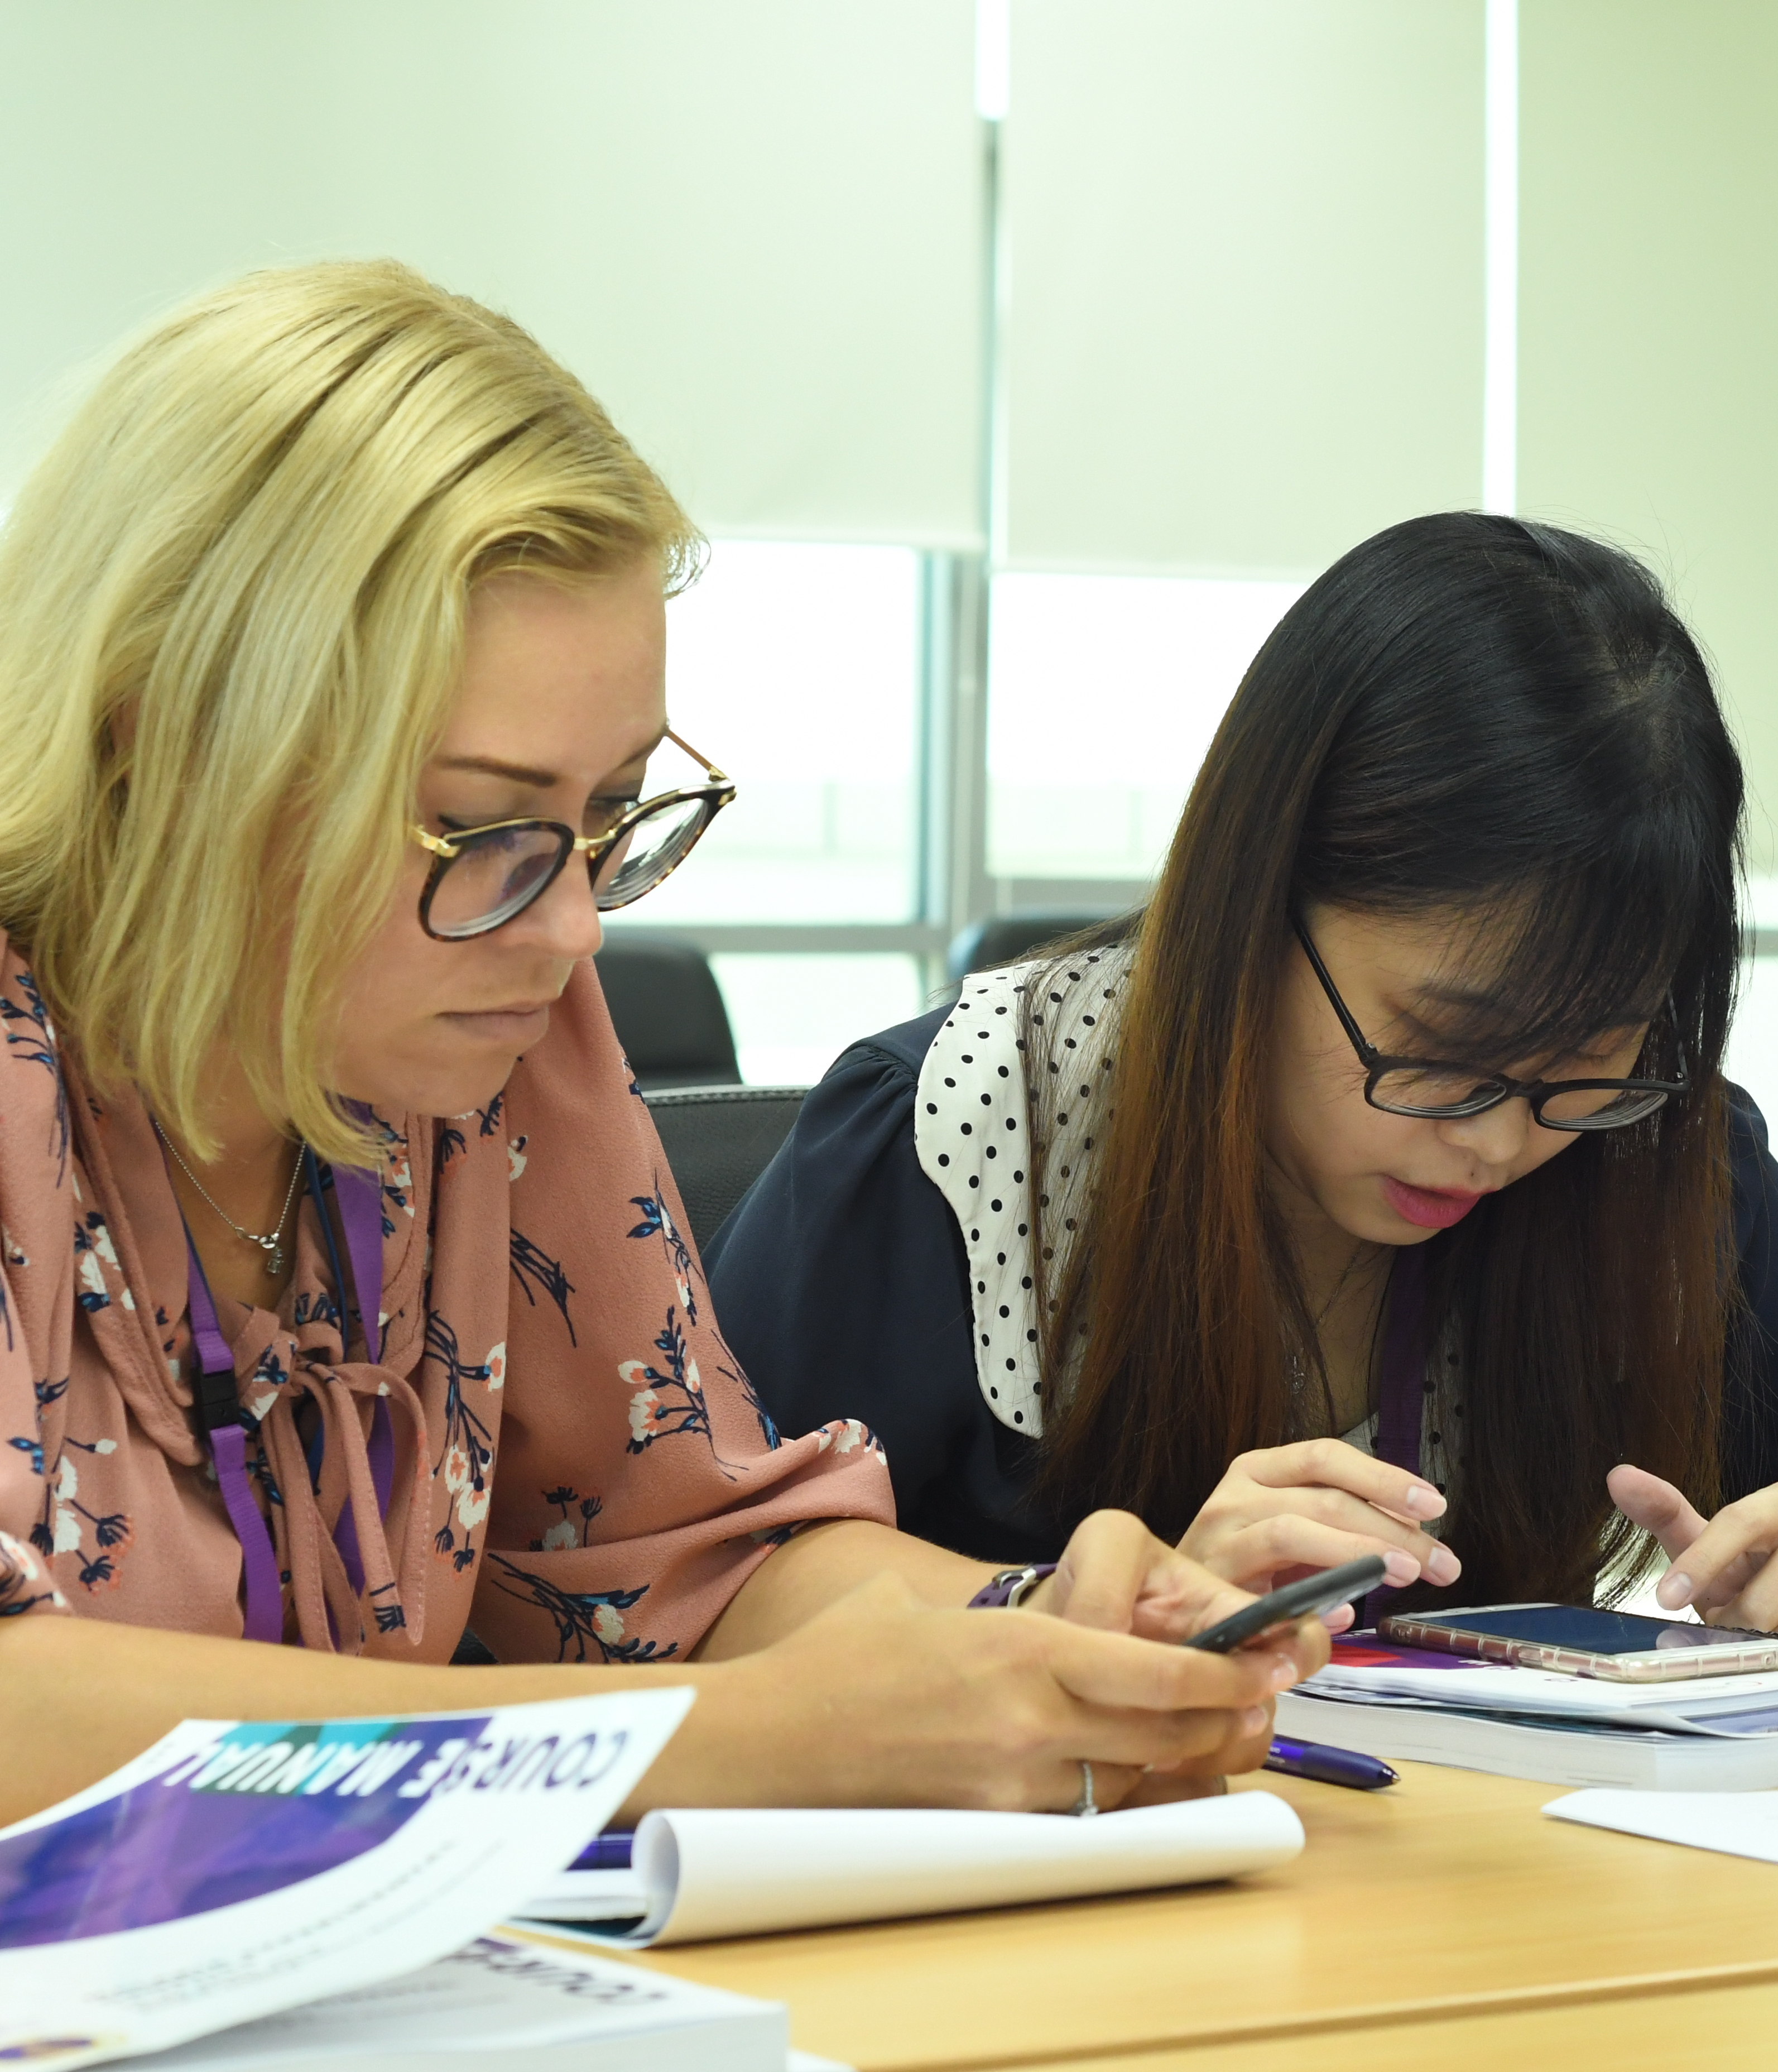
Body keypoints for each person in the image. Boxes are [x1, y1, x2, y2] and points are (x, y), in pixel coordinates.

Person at [0, 260, 1322, 1830]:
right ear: (159, 737)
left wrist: (1021, 1641)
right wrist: (741, 1741)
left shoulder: (494, 1041)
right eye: (486, 826)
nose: (573, 933)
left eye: (611, 815)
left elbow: (684, 1554)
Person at [709, 513, 1778, 1652]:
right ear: (1254, 907)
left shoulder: (1643, 1149)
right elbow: (698, 1595)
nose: (1496, 1142)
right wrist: (1106, 1609)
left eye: (1579, 1067)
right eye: (1437, 1048)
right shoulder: (961, 1130)